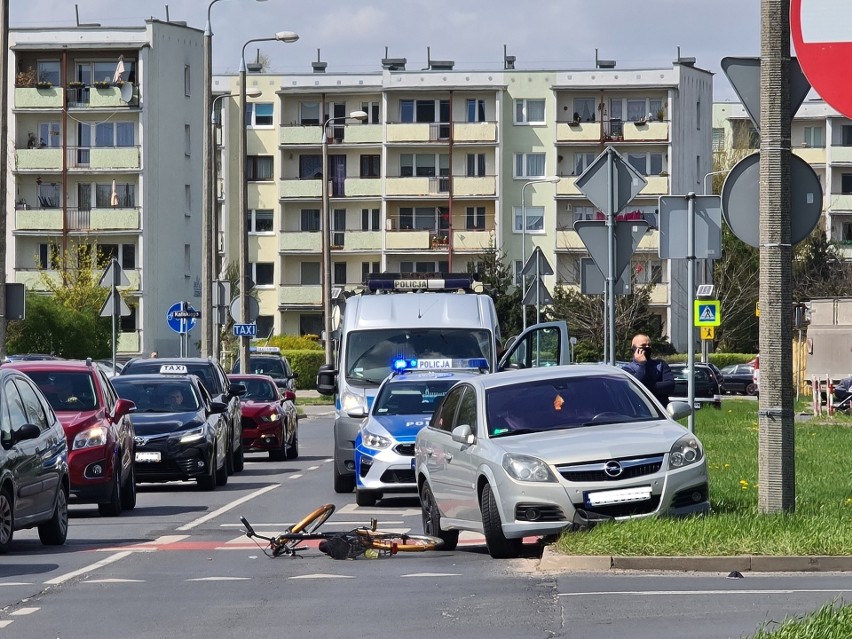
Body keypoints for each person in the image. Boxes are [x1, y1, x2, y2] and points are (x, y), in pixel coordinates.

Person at [623, 334, 674, 406]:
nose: (647, 347)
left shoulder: (660, 365)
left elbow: (670, 386)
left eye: (649, 345)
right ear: (634, 349)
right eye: (643, 346)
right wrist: (642, 364)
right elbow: (635, 387)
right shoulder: (627, 369)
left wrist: (645, 385)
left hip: (661, 409)